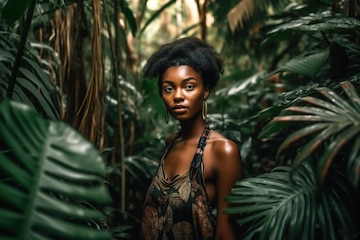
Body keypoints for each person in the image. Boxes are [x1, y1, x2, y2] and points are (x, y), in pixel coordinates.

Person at [140, 36, 243, 240]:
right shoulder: (171, 143)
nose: (178, 96)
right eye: (169, 88)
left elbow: (226, 232)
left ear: (205, 91)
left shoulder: (222, 151)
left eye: (189, 86)